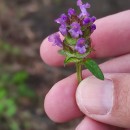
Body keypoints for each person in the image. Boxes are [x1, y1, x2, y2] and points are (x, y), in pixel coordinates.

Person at [40, 10, 130, 130]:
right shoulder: (72, 35)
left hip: (80, 53)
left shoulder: (82, 38)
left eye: (77, 28)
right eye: (75, 28)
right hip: (74, 51)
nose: (76, 29)